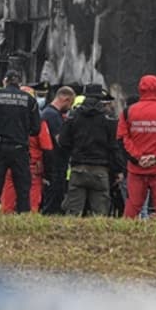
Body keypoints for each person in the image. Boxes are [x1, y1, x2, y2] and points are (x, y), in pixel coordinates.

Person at [118, 74, 156, 218]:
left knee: (132, 204)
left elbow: (122, 138)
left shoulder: (128, 112)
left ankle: (126, 234)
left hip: (136, 168)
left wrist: (137, 158)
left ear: (140, 89)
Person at [0, 69, 40, 213]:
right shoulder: (30, 100)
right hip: (20, 148)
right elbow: (36, 129)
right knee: (22, 187)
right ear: (19, 82)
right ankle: (23, 213)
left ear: (4, 81)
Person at [59, 84, 119, 216]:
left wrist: (74, 152)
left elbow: (63, 141)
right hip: (100, 170)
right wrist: (118, 170)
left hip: (78, 167)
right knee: (100, 214)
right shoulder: (108, 117)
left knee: (73, 212)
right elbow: (114, 146)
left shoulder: (73, 116)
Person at [1, 85, 54, 214]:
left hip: (9, 162)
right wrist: (49, 172)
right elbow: (47, 147)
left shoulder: (3, 119)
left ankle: (5, 221)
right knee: (31, 203)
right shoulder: (38, 121)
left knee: (8, 199)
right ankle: (28, 221)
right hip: (32, 166)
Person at [41, 86, 76, 214]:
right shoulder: (53, 115)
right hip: (55, 163)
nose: (70, 107)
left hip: (52, 163)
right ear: (65, 99)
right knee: (54, 200)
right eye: (71, 103)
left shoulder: (47, 113)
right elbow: (60, 140)